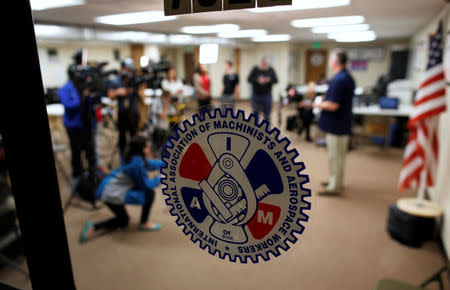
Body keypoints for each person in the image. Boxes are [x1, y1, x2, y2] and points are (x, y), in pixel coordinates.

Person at [79, 135, 163, 243]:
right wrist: (162, 178)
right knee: (148, 194)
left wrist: (168, 163)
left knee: (124, 219)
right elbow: (146, 185)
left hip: (109, 188)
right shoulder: (136, 164)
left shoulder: (133, 157)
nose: (149, 148)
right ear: (141, 149)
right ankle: (143, 223)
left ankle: (94, 227)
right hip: (111, 193)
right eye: (147, 146)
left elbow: (150, 164)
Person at [314, 50, 355, 195]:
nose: (330, 62)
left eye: (331, 59)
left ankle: (334, 187)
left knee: (335, 156)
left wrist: (318, 104)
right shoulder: (344, 77)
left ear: (336, 62)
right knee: (339, 156)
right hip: (341, 124)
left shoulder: (340, 79)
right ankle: (335, 180)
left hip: (337, 125)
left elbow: (333, 105)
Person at [58, 65, 97, 186]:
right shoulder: (65, 88)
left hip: (87, 125)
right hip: (74, 126)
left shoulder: (83, 86)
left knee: (90, 151)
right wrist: (82, 97)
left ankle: (92, 175)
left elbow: (91, 104)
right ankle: (77, 175)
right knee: (76, 151)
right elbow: (69, 105)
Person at [107, 58, 139, 158]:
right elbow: (110, 94)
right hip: (122, 113)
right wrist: (118, 92)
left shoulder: (133, 79)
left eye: (130, 70)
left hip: (133, 112)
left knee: (134, 135)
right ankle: (123, 157)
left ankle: (136, 156)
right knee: (122, 137)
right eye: (127, 69)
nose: (128, 72)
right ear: (122, 68)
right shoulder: (115, 80)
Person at [248, 56, 278, 121]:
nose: (265, 65)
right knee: (255, 115)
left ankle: (265, 130)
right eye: (264, 64)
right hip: (256, 95)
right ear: (261, 63)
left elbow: (276, 80)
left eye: (267, 64)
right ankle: (255, 129)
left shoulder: (271, 70)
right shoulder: (255, 69)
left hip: (267, 96)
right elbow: (249, 79)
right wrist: (257, 80)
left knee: (267, 115)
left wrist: (269, 80)